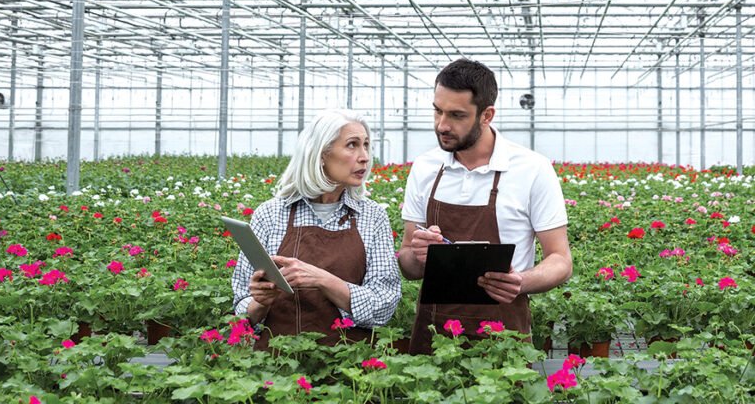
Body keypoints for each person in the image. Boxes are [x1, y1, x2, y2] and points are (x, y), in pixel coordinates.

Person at [398, 59, 572, 355]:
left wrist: (520, 282)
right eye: (438, 110)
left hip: (503, 338)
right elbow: (408, 265)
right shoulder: (426, 167)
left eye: (457, 115)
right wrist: (417, 254)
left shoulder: (532, 169)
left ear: (486, 115)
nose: (442, 125)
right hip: (434, 337)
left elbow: (561, 260)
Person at [232, 110, 402, 349]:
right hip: (277, 365)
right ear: (321, 154)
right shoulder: (270, 214)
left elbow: (384, 306)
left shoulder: (372, 216)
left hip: (348, 369)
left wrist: (323, 280)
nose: (364, 157)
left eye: (366, 145)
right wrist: (261, 301)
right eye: (352, 145)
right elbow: (241, 309)